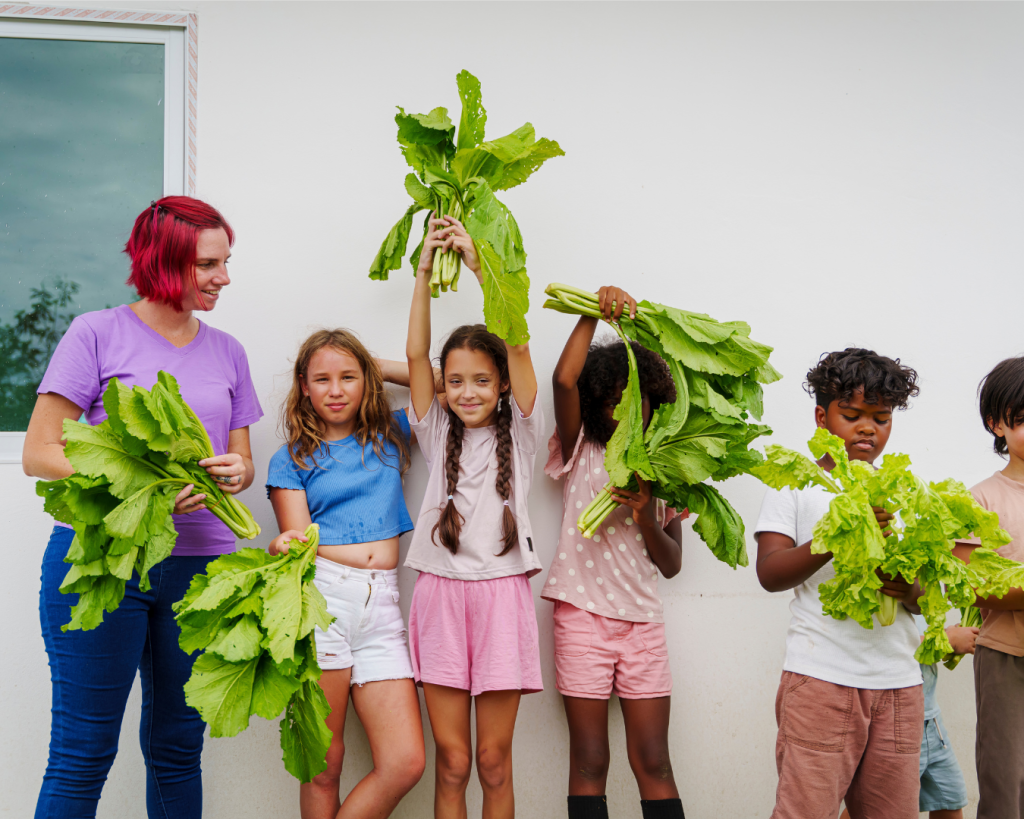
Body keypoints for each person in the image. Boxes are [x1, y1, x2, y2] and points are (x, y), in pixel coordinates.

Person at [23, 196, 263, 819]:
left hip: (199, 571)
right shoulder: (96, 333)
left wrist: (238, 470)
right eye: (209, 264)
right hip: (106, 563)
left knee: (179, 748)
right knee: (83, 751)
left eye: (226, 262)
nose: (224, 278)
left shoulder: (229, 351)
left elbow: (240, 458)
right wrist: (144, 486)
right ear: (165, 260)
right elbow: (41, 451)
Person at [404, 214, 544, 819]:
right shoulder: (435, 430)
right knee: (453, 762)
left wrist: (482, 266)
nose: (467, 392)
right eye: (455, 380)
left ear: (503, 385)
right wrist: (426, 271)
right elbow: (415, 354)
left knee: (493, 761)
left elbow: (516, 341)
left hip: (502, 599)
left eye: (482, 381)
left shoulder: (528, 428)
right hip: (439, 597)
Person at [753, 348, 924, 819]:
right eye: (852, 415)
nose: (868, 429)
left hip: (899, 685)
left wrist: (907, 589)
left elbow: (926, 596)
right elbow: (769, 572)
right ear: (821, 417)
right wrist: (836, 537)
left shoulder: (903, 491)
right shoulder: (795, 484)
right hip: (822, 680)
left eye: (882, 418)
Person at [266, 329, 426, 819]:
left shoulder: (393, 433)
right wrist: (280, 545)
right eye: (322, 379)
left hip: (383, 608)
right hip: (324, 603)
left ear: (367, 382)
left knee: (405, 763)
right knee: (323, 765)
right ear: (304, 386)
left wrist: (372, 362)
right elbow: (297, 543)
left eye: (348, 377)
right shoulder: (291, 458)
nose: (335, 390)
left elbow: (440, 384)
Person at [542, 286, 686, 819]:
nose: (627, 406)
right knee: (590, 760)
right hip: (581, 617)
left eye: (638, 396)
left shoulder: (665, 469)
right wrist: (589, 312)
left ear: (655, 401)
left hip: (643, 624)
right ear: (598, 398)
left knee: (655, 761)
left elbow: (672, 564)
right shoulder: (582, 445)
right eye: (615, 395)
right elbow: (562, 380)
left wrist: (647, 514)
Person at [961, 356, 1024, 819]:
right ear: (995, 425)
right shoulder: (981, 497)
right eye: (1023, 421)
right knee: (1006, 783)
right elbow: (972, 585)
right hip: (1005, 656)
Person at [839, 618, 976, 819]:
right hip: (898, 723)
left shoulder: (921, 598)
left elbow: (917, 642)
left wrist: (947, 637)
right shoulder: (885, 604)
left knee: (950, 799)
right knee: (873, 805)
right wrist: (945, 640)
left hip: (933, 722)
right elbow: (887, 648)